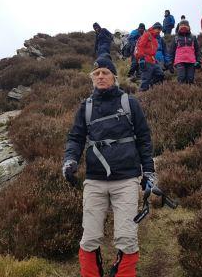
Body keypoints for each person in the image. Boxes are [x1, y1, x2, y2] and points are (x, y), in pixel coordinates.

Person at [63, 56, 156, 277]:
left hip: (126, 180)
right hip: (94, 180)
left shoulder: (129, 103)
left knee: (127, 239)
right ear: (92, 78)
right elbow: (75, 138)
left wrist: (149, 171)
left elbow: (144, 139)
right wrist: (70, 160)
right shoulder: (85, 107)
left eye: (105, 72)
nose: (101, 76)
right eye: (96, 74)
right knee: (89, 239)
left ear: (114, 76)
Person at [135, 22, 165, 91]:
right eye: (157, 29)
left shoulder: (155, 39)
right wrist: (141, 59)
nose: (159, 31)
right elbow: (140, 46)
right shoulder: (146, 35)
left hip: (153, 61)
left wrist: (155, 61)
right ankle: (141, 95)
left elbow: (153, 52)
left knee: (160, 74)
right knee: (145, 79)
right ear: (153, 28)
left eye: (160, 29)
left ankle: (151, 88)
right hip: (145, 60)